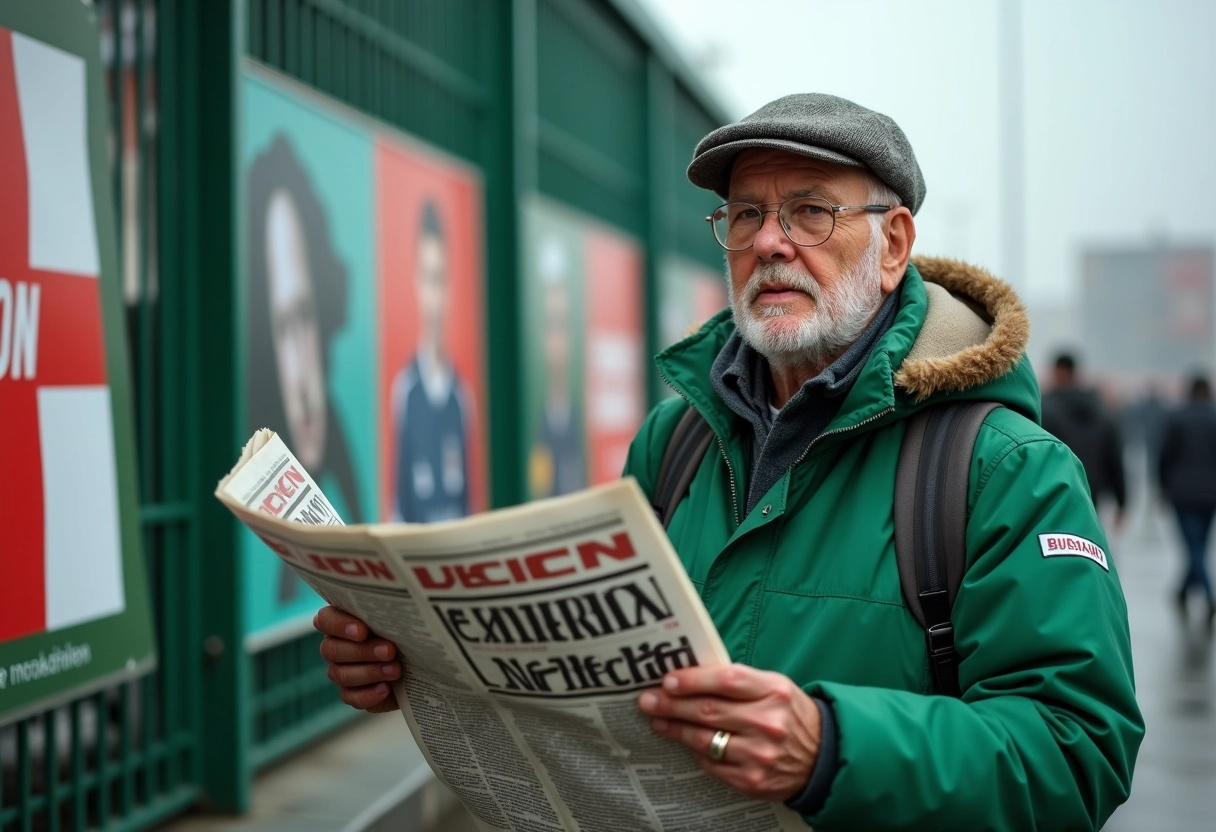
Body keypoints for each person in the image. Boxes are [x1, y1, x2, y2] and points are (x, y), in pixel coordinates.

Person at [313, 94, 1142, 830]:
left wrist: (833, 748)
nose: (770, 242)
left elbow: (1078, 752)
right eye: (744, 216)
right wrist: (417, 664)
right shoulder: (672, 445)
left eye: (810, 211)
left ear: (893, 245)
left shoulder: (1006, 469)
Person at [247, 135, 364, 602]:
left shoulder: (352, 487)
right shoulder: (252, 462)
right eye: (280, 328)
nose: (298, 378)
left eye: (305, 317)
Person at [389, 199, 476, 523]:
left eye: (439, 279)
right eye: (427, 278)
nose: (433, 296)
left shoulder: (462, 398)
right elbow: (398, 507)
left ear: (450, 287)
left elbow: (470, 506)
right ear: (415, 282)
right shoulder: (405, 391)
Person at [528, 236, 586, 498]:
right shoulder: (533, 419)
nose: (557, 341)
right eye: (550, 324)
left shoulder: (580, 416)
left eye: (563, 324)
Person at [1041, 352, 1128, 524]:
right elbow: (1114, 456)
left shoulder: (1045, 408)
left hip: (1054, 488)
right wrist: (1121, 501)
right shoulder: (1099, 409)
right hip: (1090, 488)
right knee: (1087, 541)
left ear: (1058, 371)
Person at [1158, 374, 1216, 620]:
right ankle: (1183, 591)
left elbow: (1165, 456)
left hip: (1182, 493)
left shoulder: (1177, 417)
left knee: (1193, 547)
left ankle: (1208, 594)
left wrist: (1162, 486)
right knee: (1199, 545)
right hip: (1211, 494)